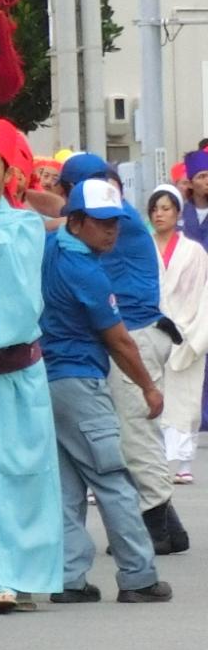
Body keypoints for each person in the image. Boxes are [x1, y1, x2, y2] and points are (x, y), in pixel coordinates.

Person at [41, 174, 171, 603]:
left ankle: (69, 579)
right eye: (101, 221)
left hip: (48, 379)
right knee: (113, 479)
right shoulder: (86, 273)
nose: (111, 229)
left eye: (114, 220)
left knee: (67, 486)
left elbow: (44, 217)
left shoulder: (54, 247)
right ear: (77, 221)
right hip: (80, 380)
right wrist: (149, 388)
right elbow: (120, 341)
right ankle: (138, 577)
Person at [63, 154, 191, 556]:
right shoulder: (121, 215)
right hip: (142, 332)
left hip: (135, 334)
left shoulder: (115, 219)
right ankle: (169, 529)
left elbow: (55, 217)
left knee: (135, 434)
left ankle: (156, 527)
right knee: (135, 431)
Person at [148, 183, 208, 480]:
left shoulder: (194, 251)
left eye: (165, 208)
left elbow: (200, 292)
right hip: (153, 329)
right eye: (155, 209)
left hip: (187, 328)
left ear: (177, 212)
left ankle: (184, 462)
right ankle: (158, 460)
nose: (159, 214)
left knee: (186, 398)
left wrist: (189, 328)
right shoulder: (144, 247)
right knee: (154, 397)